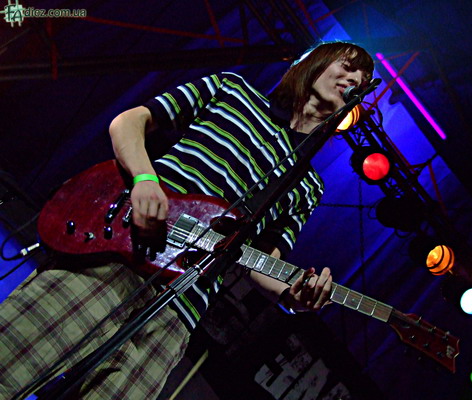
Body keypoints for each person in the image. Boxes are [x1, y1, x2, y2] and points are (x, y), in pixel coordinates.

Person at [0, 41, 374, 399]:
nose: (352, 80)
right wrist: (145, 179)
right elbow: (130, 122)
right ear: (315, 62)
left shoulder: (308, 186)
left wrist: (295, 297)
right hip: (118, 257)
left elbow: (262, 264)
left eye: (360, 81)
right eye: (347, 66)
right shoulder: (232, 91)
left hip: (177, 315)